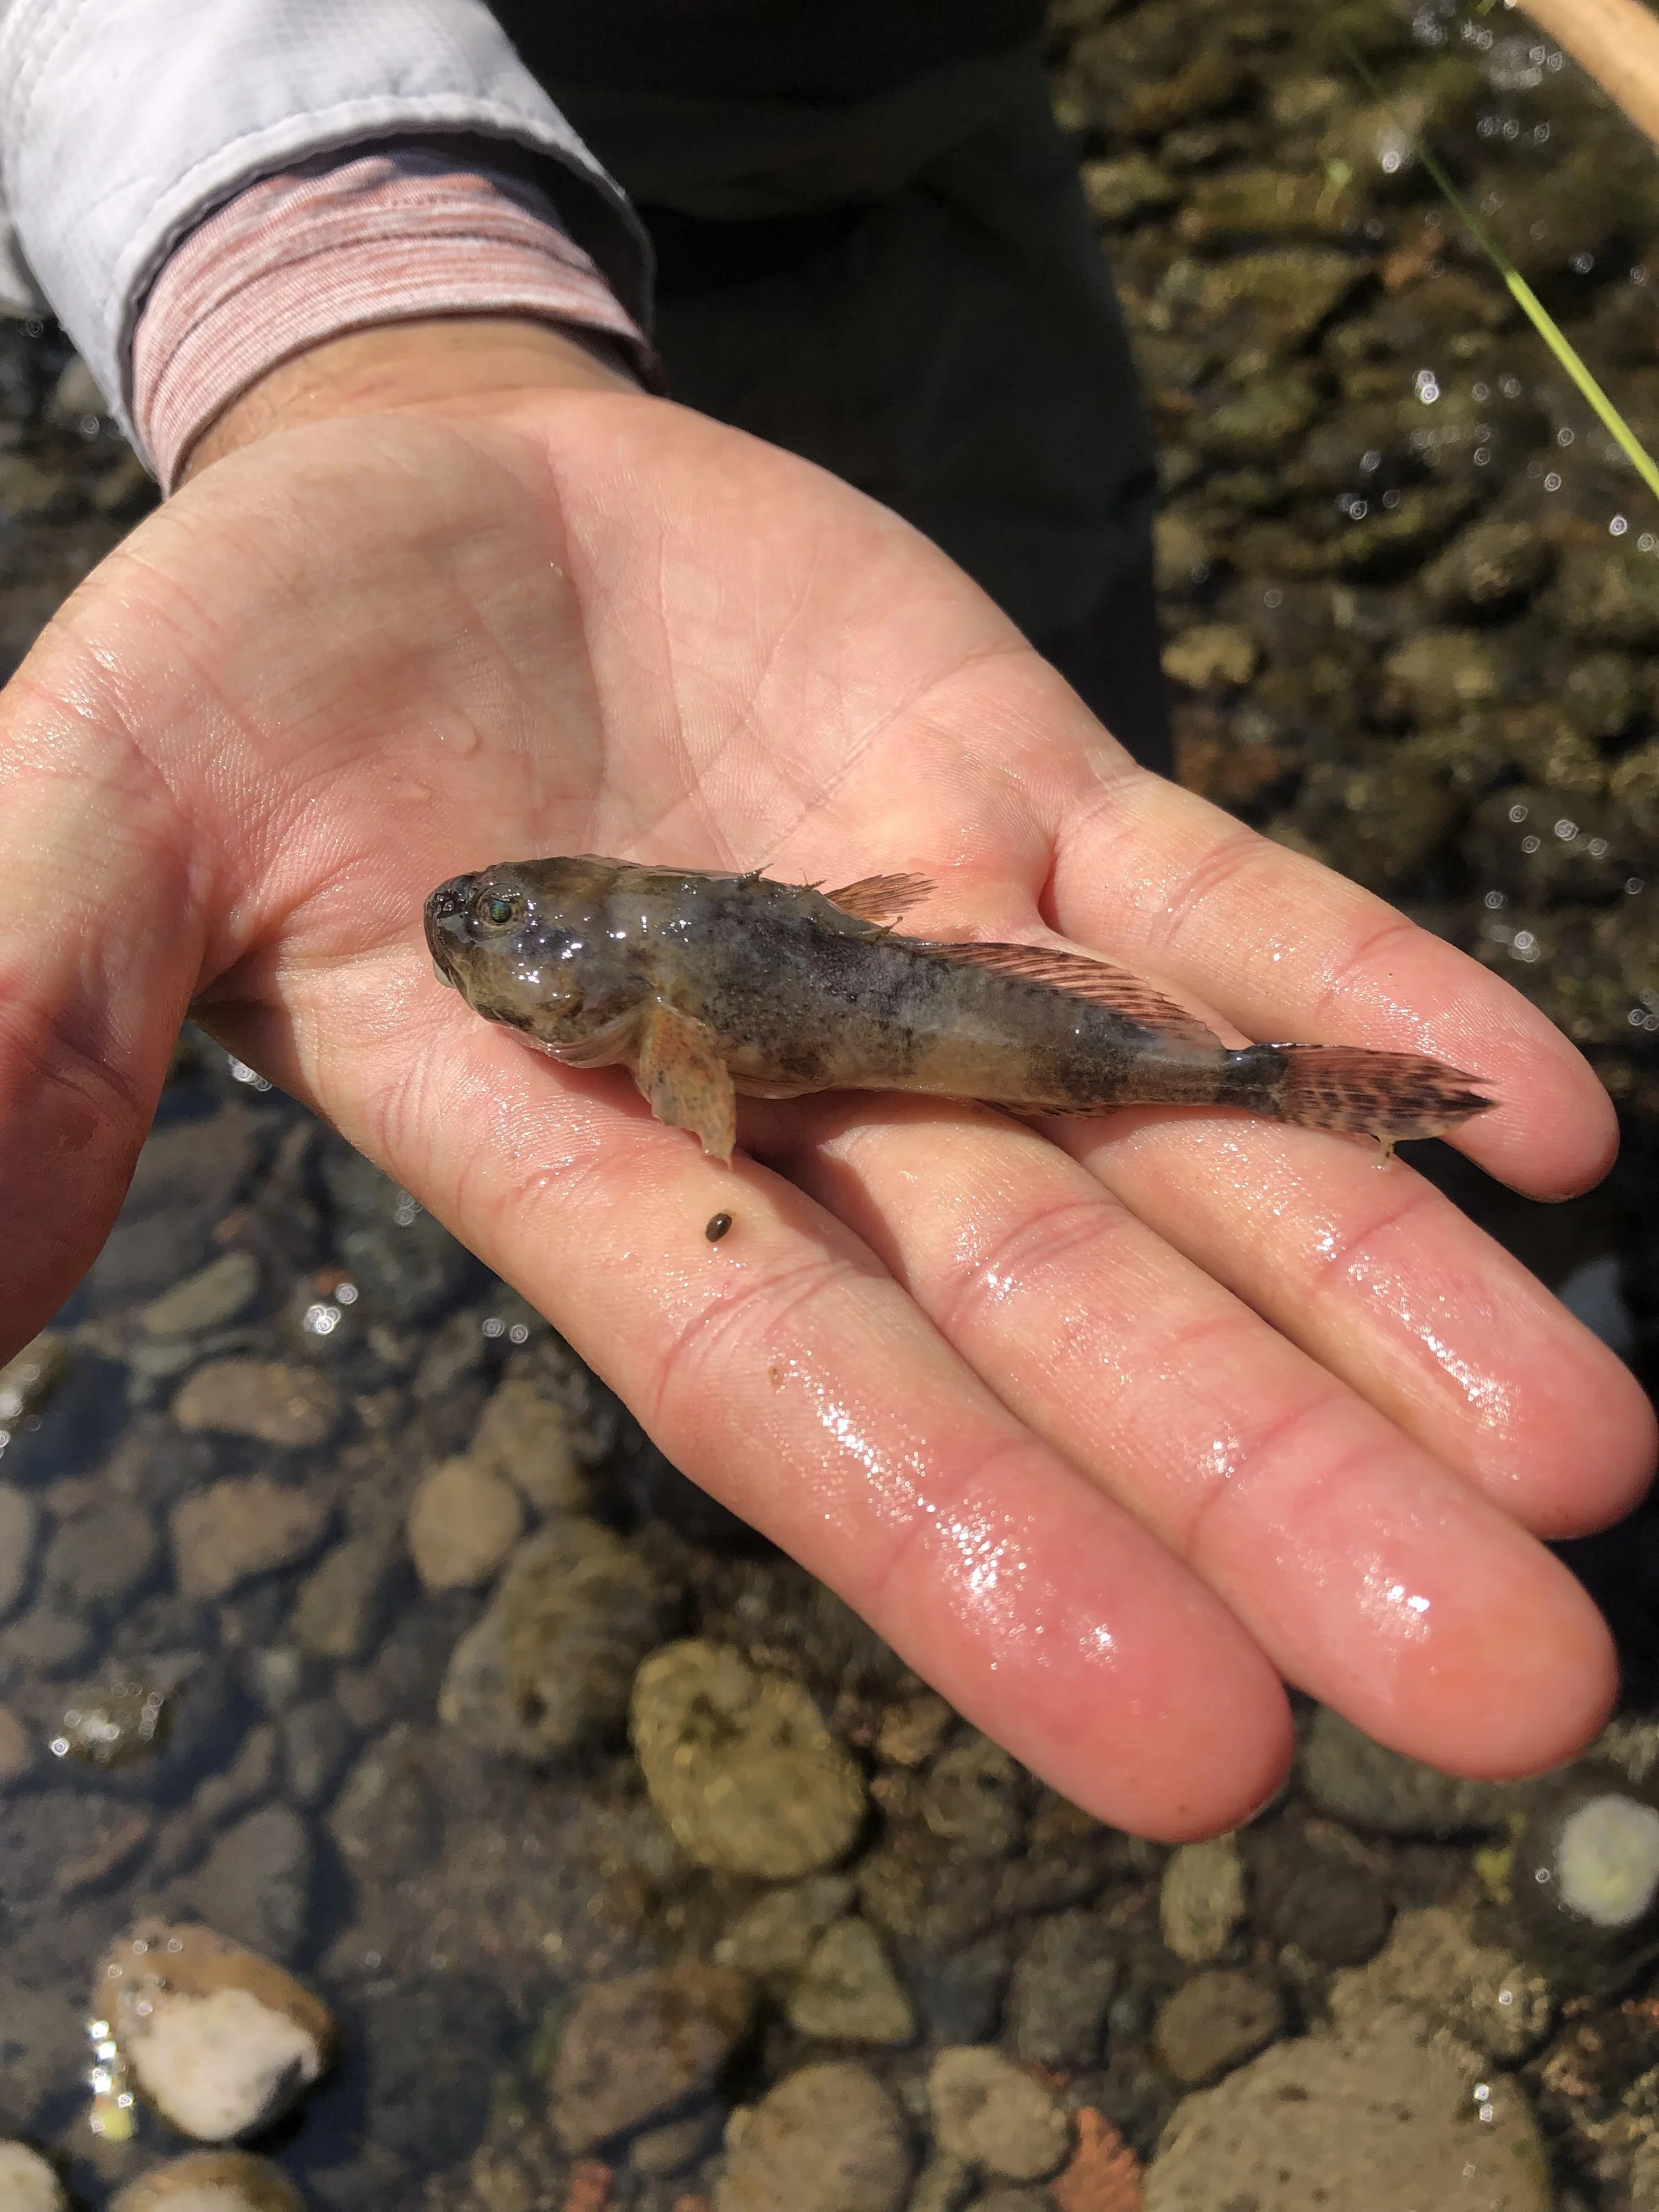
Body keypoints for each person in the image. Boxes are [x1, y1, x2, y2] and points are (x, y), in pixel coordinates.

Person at [0, 0, 1651, 1842]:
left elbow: (778, 989)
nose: (479, 937)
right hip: (548, 110)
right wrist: (347, 300)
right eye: (499, 937)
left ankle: (1259, 1083)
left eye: (509, 937)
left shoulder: (661, 1006)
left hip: (927, 123)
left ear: (620, 961)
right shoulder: (660, 961)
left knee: (1043, 627)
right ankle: (1235, 1093)